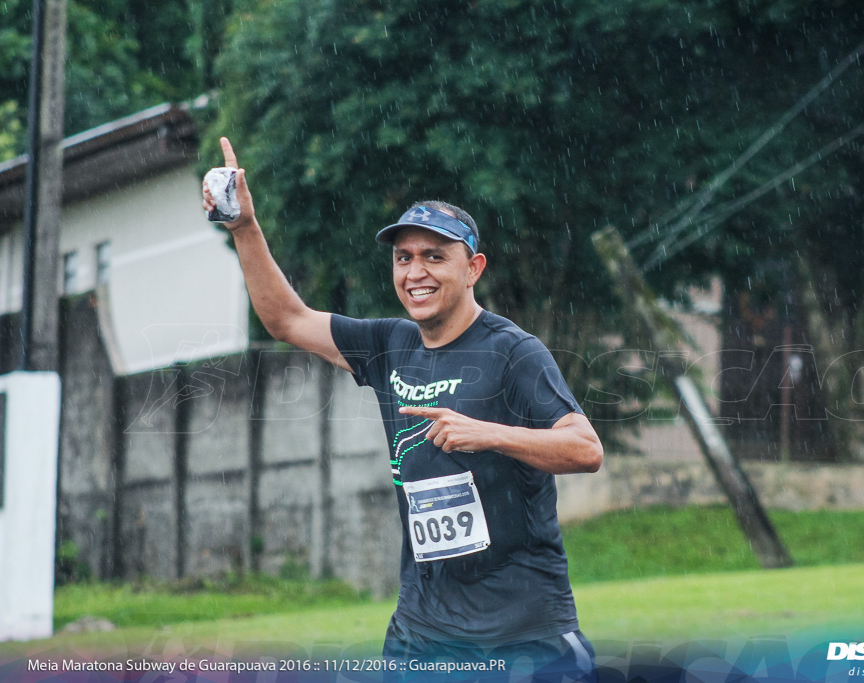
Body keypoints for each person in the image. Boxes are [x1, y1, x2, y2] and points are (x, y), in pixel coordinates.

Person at [203, 138, 603, 681]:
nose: (415, 271)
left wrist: (488, 433)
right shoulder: (391, 344)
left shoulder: (513, 352)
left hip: (522, 633)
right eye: (403, 257)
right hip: (422, 635)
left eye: (435, 256)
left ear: (473, 268)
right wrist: (244, 226)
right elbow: (287, 320)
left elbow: (585, 448)